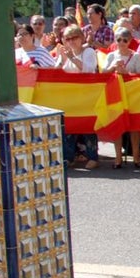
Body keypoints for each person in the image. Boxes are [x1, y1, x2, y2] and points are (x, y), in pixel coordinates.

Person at [54, 24, 100, 170]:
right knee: (69, 126)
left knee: (88, 126)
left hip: (87, 95)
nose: (71, 41)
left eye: (74, 38)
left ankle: (92, 157)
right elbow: (57, 71)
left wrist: (72, 58)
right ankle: (69, 157)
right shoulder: (65, 53)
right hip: (70, 96)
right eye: (67, 39)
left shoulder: (88, 51)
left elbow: (88, 69)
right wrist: (62, 58)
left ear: (81, 38)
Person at [103, 27, 140, 169]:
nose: (121, 43)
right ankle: (118, 158)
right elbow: (103, 73)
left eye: (125, 40)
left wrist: (126, 73)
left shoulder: (136, 56)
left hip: (132, 94)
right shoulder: (111, 55)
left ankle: (136, 157)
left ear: (130, 41)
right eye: (119, 40)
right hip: (116, 94)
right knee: (117, 125)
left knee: (134, 127)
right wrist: (113, 67)